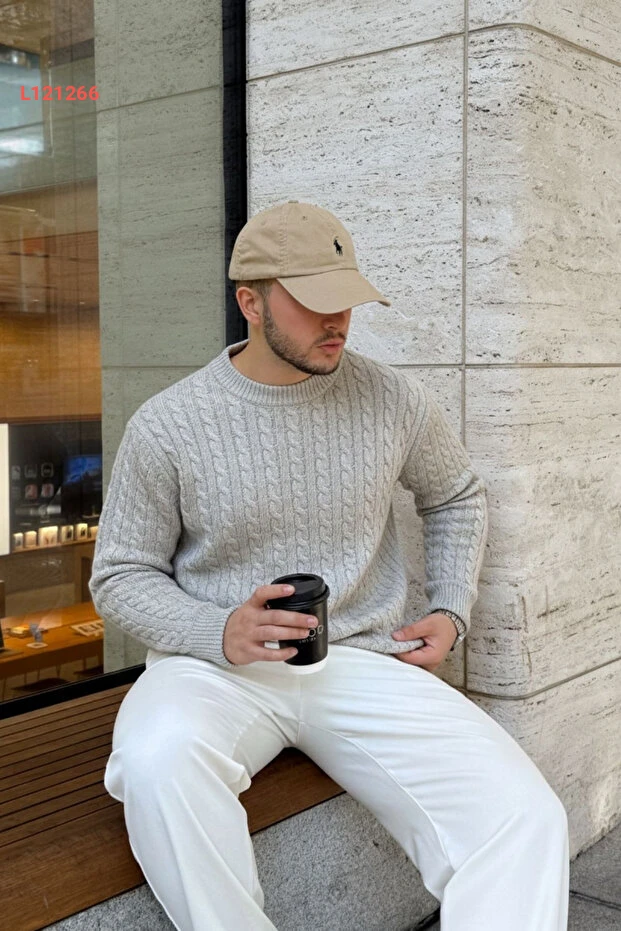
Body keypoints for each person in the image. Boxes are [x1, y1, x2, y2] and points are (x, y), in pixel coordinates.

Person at [90, 200, 570, 931]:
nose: (337, 320)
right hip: (212, 668)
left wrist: (450, 609)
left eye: (345, 299)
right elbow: (120, 574)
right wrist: (219, 629)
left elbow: (455, 495)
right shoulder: (168, 424)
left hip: (360, 658)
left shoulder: (392, 398)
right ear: (250, 303)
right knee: (156, 761)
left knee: (523, 816)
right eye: (314, 302)